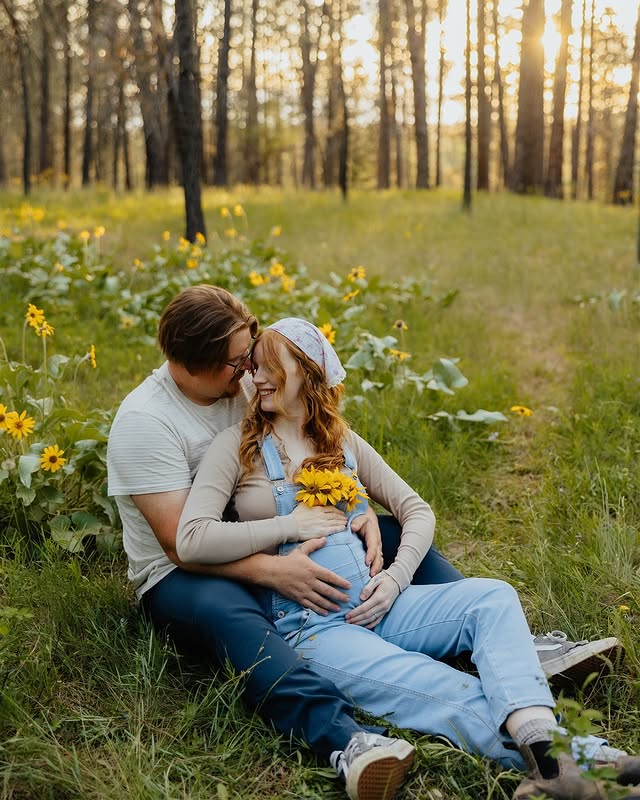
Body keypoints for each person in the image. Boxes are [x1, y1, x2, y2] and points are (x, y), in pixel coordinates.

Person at [106, 285, 622, 800]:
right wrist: (275, 559)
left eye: (258, 362)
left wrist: (368, 526)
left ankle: (511, 664)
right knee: (238, 619)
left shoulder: (280, 407)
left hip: (364, 594)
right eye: (241, 364)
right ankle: (348, 739)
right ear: (197, 365)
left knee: (482, 590)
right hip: (200, 580)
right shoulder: (151, 422)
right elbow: (183, 544)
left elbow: (398, 496)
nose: (250, 374)